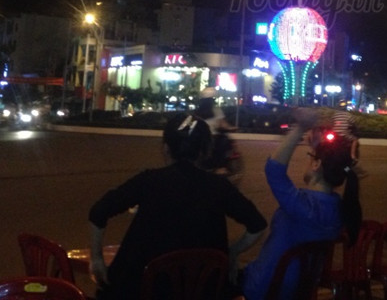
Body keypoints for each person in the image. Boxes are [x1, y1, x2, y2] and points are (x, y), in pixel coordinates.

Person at [88, 113, 267, 299]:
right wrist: (232, 252)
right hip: (204, 291)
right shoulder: (220, 187)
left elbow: (98, 212)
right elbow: (257, 225)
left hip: (143, 289)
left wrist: (97, 258)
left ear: (166, 148)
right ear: (205, 151)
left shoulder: (148, 181)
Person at [241, 108, 362, 300]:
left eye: (310, 157)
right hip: (302, 291)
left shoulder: (302, 206)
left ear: (316, 165)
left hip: (266, 289)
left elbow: (274, 169)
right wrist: (317, 150)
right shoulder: (339, 210)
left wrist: (300, 128)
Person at [194, 87, 235, 171]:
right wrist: (231, 128)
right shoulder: (216, 110)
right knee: (225, 141)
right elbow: (223, 124)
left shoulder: (197, 112)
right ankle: (221, 165)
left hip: (199, 137)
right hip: (213, 137)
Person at [331, 110, 368, 178]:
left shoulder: (335, 115)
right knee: (355, 140)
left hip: (335, 135)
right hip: (345, 135)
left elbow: (332, 123)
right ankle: (352, 155)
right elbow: (354, 124)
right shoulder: (349, 115)